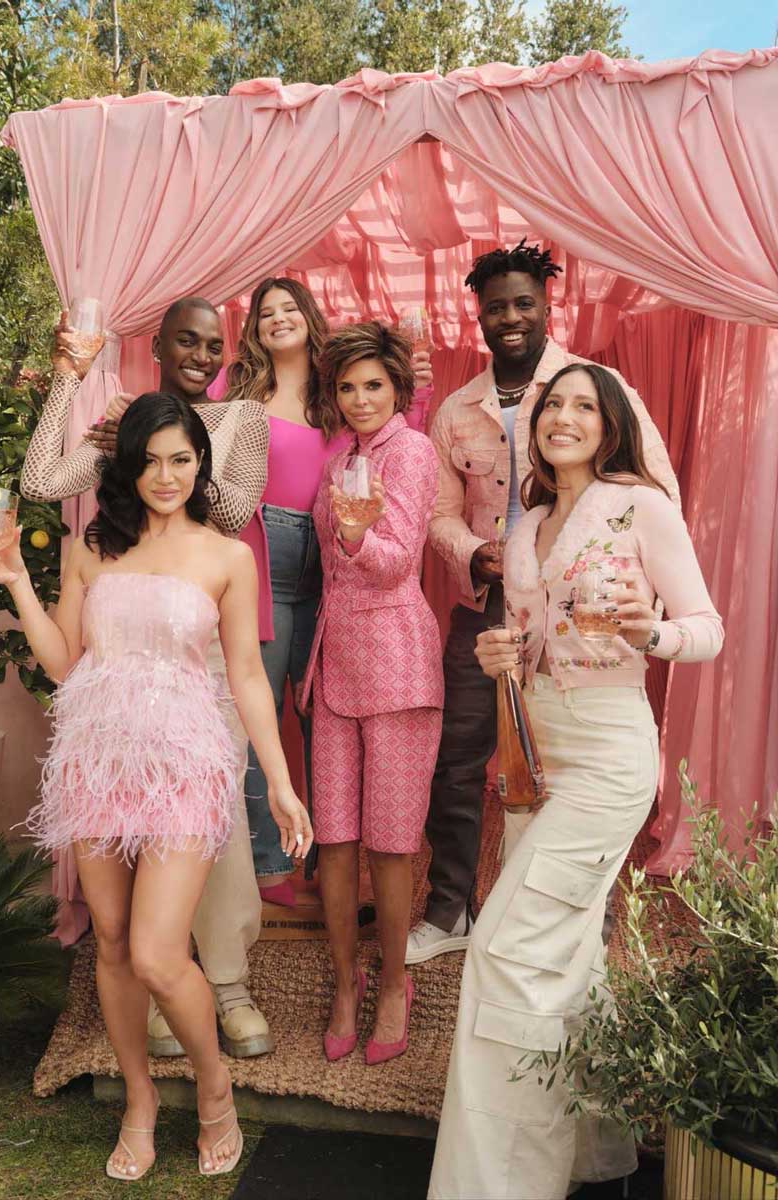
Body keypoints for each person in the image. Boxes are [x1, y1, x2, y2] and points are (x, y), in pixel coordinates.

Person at [0, 394, 312, 1181]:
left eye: (181, 459)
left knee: (159, 952)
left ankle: (212, 1085)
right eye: (150, 461)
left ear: (202, 465)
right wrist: (14, 580)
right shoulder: (92, 547)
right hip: (97, 759)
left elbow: (247, 676)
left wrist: (278, 781)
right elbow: (64, 661)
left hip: (184, 763)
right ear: (127, 467)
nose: (166, 476)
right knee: (110, 939)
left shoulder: (227, 556)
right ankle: (139, 1098)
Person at [428, 363, 723, 1199]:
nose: (564, 416)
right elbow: (530, 647)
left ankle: (501, 1184)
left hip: (608, 757)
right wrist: (502, 655)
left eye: (584, 406)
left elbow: (707, 628)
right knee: (566, 956)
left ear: (611, 424)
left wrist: (653, 632)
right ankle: (593, 1151)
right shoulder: (527, 529)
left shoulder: (641, 508)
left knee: (503, 948)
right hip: (539, 756)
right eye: (552, 404)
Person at [407, 242, 681, 965]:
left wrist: (630, 590)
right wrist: (475, 552)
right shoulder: (457, 410)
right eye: (496, 307)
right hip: (489, 610)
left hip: (577, 613)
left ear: (548, 306)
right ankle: (449, 909)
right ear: (479, 316)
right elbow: (437, 513)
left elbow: (657, 489)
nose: (511, 317)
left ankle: (590, 923)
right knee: (458, 761)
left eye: (524, 303)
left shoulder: (593, 389)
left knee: (575, 764)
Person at [21, 300, 272, 1062]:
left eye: (214, 344)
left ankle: (227, 982)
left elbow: (234, 510)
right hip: (124, 647)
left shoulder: (242, 419)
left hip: (202, 641)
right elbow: (39, 480)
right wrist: (74, 386)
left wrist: (172, 447)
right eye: (186, 341)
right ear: (156, 347)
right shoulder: (123, 435)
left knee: (214, 824)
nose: (201, 354)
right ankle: (164, 976)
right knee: (134, 834)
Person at [217, 278, 434, 907]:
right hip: (265, 547)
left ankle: (326, 862)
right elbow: (187, 431)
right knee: (261, 708)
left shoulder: (337, 385)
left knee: (327, 713)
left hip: (337, 557)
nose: (278, 319)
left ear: (311, 317)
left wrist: (416, 388)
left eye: (290, 308)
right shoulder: (235, 386)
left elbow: (389, 449)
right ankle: (269, 866)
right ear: (253, 328)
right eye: (266, 312)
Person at [298, 323, 443, 1064]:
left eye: (374, 386)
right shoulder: (341, 460)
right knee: (335, 839)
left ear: (398, 390)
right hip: (336, 667)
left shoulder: (411, 452)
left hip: (397, 664)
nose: (359, 399)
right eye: (348, 387)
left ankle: (392, 984)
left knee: (389, 843)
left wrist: (357, 537)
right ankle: (345, 982)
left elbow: (397, 563)